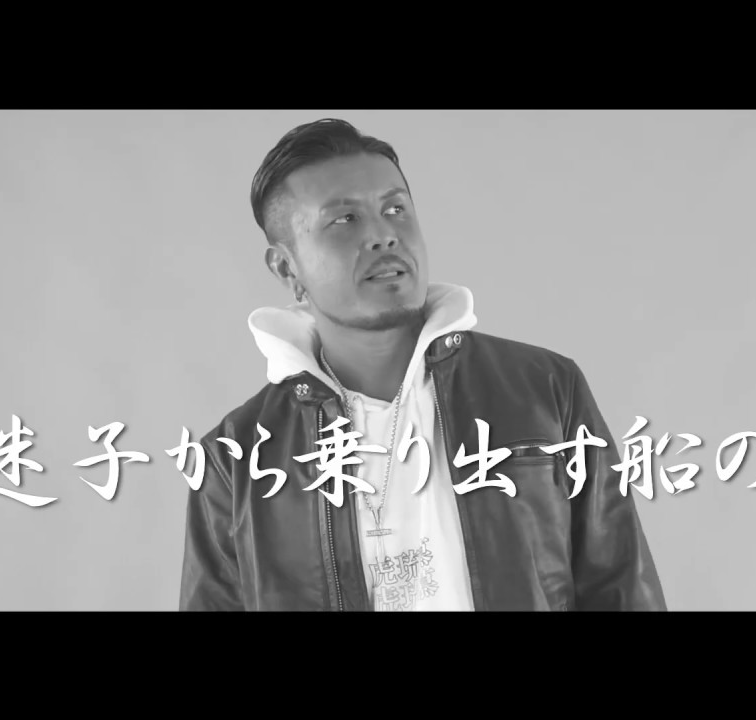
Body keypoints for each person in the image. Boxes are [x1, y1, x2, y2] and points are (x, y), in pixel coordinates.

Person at [179, 118, 666, 611]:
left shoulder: (544, 390)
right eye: (344, 219)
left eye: (395, 209)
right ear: (287, 267)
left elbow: (622, 588)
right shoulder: (235, 462)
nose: (383, 235)